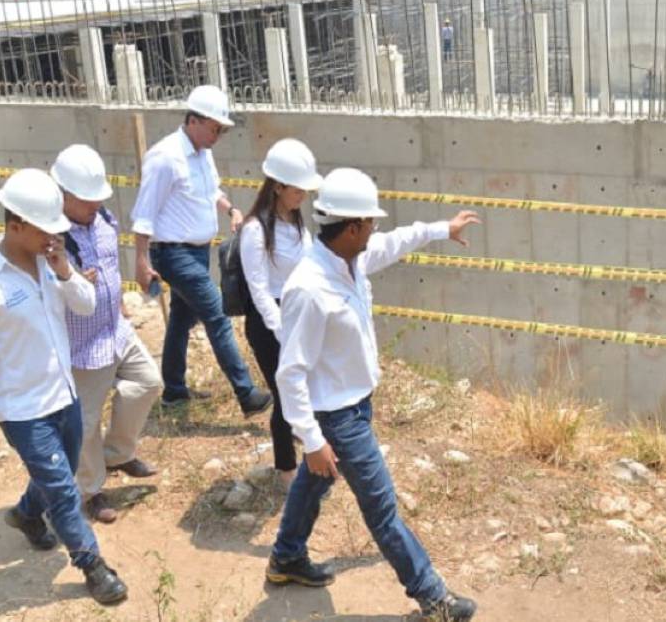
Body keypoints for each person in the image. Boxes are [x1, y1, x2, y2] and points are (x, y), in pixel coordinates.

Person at [267, 167, 480, 621]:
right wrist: (312, 439)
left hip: (354, 407)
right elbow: (291, 373)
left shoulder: (351, 260)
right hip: (337, 417)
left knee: (314, 482)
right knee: (382, 510)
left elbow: (395, 241)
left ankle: (286, 557)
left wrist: (443, 229)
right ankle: (433, 598)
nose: (374, 231)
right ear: (351, 228)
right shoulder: (310, 288)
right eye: (369, 223)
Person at [0, 168, 128, 605]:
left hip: (64, 395)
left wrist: (65, 270)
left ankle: (26, 514)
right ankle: (93, 566)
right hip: (22, 409)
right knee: (66, 494)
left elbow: (86, 306)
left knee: (58, 478)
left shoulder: (50, 262)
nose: (54, 236)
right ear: (15, 225)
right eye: (45, 229)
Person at [130, 84, 272, 417]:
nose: (217, 136)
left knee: (181, 320)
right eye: (214, 128)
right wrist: (141, 260)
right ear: (193, 120)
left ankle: (174, 391)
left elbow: (211, 192)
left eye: (221, 130)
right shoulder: (165, 157)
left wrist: (230, 210)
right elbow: (143, 213)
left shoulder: (203, 153)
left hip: (196, 252)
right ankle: (246, 393)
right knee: (217, 315)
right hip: (172, 253)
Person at [51, 145, 163, 524]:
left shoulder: (104, 219)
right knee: (85, 423)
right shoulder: (51, 239)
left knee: (148, 383)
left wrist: (118, 304)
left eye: (97, 197)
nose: (95, 205)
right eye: (87, 200)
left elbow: (111, 267)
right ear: (63, 194)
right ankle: (91, 489)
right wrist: (71, 281)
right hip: (82, 345)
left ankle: (117, 454)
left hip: (115, 330)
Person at [239, 139, 323, 490]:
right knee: (285, 392)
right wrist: (281, 330)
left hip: (298, 313)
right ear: (277, 187)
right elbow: (258, 289)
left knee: (305, 387)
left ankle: (304, 439)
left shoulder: (295, 222)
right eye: (297, 189)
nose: (303, 195)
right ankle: (286, 469)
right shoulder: (256, 230)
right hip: (270, 322)